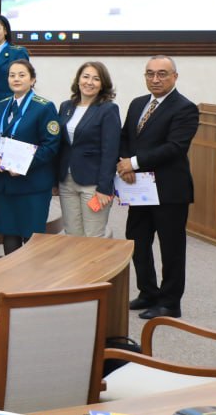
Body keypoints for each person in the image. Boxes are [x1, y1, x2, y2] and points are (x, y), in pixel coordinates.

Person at [118, 56, 199, 320]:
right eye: (150, 73)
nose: (155, 79)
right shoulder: (137, 103)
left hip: (169, 190)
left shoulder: (185, 108)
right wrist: (124, 163)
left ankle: (170, 302)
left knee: (171, 248)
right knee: (137, 241)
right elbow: (125, 137)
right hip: (138, 188)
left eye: (162, 74)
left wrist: (134, 162)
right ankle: (148, 293)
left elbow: (175, 147)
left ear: (175, 76)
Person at [0, 59, 60, 255]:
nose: (16, 79)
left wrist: (23, 164)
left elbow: (51, 145)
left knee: (31, 240)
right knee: (9, 235)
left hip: (32, 184)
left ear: (32, 79)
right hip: (5, 183)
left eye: (22, 75)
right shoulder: (1, 105)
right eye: (12, 75)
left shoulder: (44, 107)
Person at [57, 61, 120, 238]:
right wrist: (55, 180)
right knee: (72, 235)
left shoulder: (108, 109)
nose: (89, 82)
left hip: (93, 184)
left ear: (103, 84)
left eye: (96, 79)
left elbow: (110, 151)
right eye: (86, 77)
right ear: (78, 80)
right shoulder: (66, 106)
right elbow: (62, 145)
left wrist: (104, 187)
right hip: (67, 181)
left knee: (93, 237)